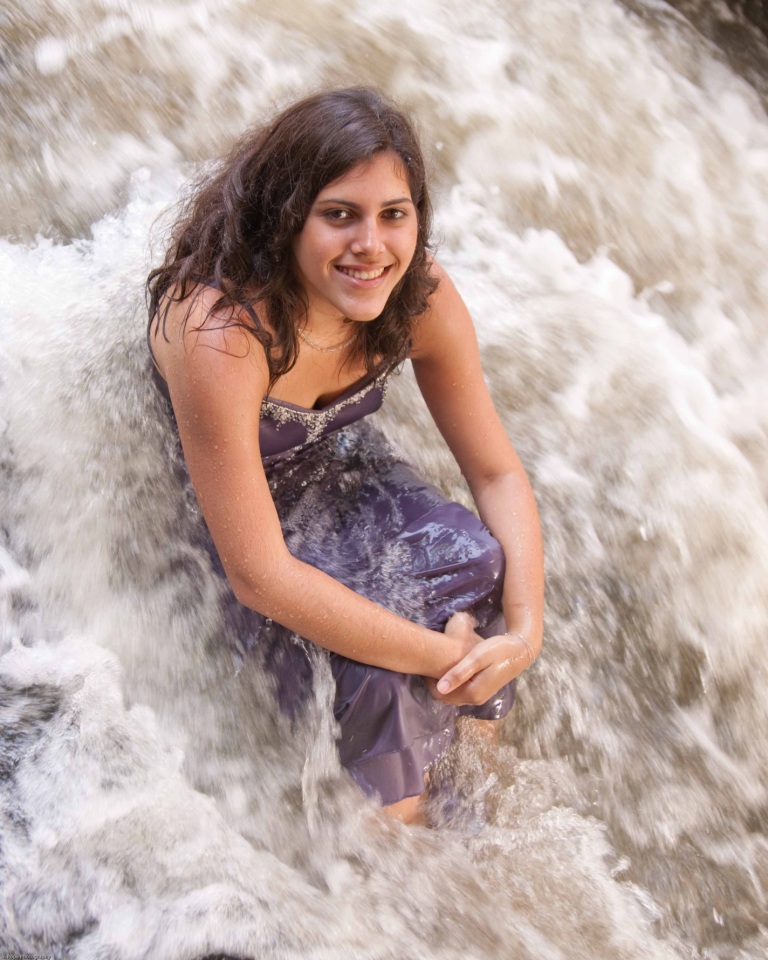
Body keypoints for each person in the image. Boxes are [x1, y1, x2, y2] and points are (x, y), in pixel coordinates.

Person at [146, 87, 544, 825]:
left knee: (478, 564)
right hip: (233, 515)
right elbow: (260, 575)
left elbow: (497, 472)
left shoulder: (417, 293)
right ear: (286, 217)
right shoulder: (224, 333)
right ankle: (406, 866)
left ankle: (474, 787)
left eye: (394, 215)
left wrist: (521, 632)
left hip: (343, 465)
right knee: (379, 667)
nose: (372, 245)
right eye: (340, 215)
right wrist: (437, 656)